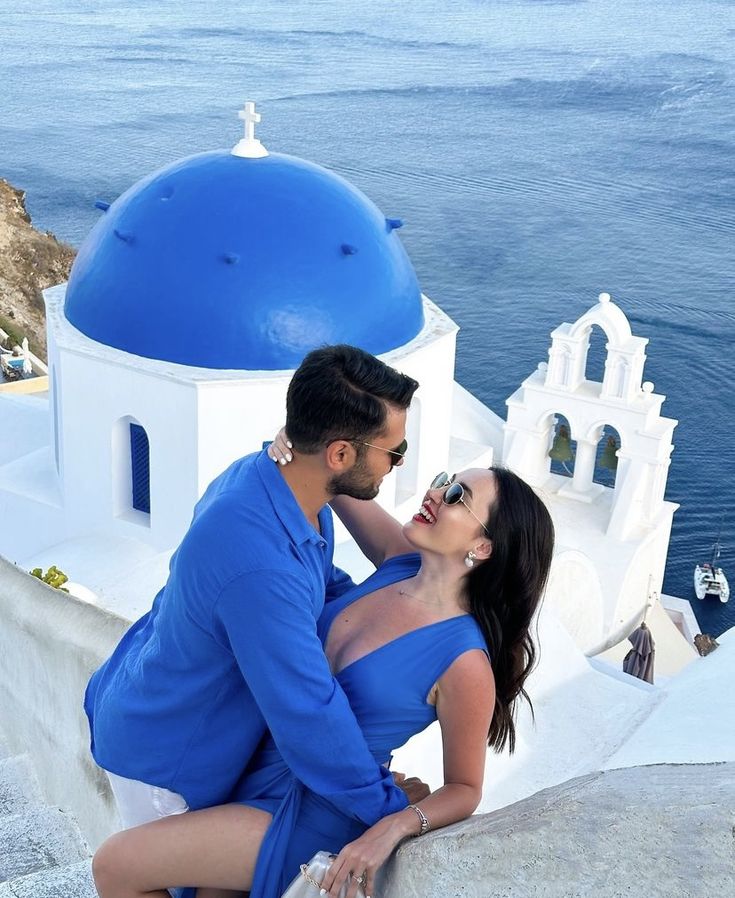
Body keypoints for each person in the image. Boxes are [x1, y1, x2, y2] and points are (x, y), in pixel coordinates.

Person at [92, 448, 555, 898]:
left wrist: (392, 827)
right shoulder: (400, 563)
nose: (436, 493)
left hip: (316, 807)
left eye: (457, 496)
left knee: (118, 865)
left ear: (483, 546)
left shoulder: (464, 661)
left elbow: (465, 788)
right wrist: (292, 442)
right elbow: (331, 473)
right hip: (250, 762)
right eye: (443, 480)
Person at [84, 345, 423, 842]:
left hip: (148, 701)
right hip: (166, 761)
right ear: (341, 454)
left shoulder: (267, 479)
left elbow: (320, 593)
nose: (395, 463)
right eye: (394, 452)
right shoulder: (260, 563)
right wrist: (385, 805)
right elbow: (307, 710)